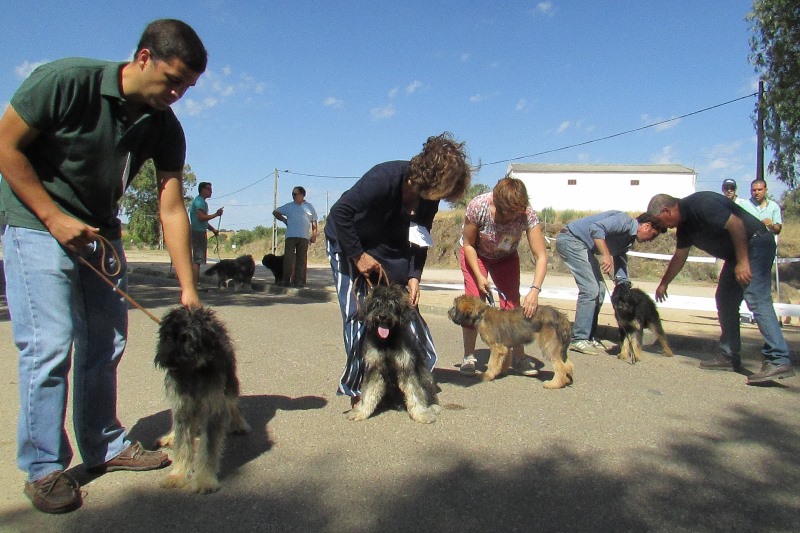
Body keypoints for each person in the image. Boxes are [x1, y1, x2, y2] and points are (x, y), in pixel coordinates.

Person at [0, 19, 207, 514]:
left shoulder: (164, 127)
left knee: (106, 343)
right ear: (142, 58)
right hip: (34, 220)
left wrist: (188, 289)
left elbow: (171, 207)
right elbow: (5, 146)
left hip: (101, 231)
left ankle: (105, 446)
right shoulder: (65, 80)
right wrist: (52, 216)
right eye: (172, 80)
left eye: (187, 88)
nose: (177, 93)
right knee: (49, 345)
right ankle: (45, 468)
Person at [324, 132, 471, 402]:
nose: (445, 196)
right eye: (445, 190)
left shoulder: (429, 197)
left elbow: (421, 235)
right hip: (348, 241)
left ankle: (409, 377)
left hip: (386, 250)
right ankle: (360, 388)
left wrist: (414, 276)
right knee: (361, 314)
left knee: (404, 313)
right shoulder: (384, 177)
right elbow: (340, 213)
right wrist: (357, 256)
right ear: (430, 177)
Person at [647, 192, 794, 384]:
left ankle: (778, 359)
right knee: (724, 299)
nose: (663, 227)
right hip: (737, 253)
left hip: (756, 243)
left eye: (660, 221)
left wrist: (742, 262)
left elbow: (736, 224)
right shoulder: (684, 229)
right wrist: (664, 283)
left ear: (667, 210)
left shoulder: (701, 204)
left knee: (756, 297)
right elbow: (679, 257)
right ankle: (729, 355)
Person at [457, 176, 547, 376]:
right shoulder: (478, 206)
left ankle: (519, 357)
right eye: (507, 213)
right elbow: (468, 244)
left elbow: (541, 256)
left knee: (512, 305)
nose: (511, 218)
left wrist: (535, 290)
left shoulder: (527, 215)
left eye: (516, 213)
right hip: (475, 253)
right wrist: (480, 276)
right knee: (473, 303)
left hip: (505, 257)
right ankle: (469, 357)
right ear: (496, 203)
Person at [556, 211, 665, 355]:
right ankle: (579, 338)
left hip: (582, 246)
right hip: (571, 240)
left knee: (600, 290)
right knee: (590, 289)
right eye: (653, 235)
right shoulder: (624, 221)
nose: (651, 240)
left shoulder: (628, 240)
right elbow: (596, 228)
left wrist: (623, 284)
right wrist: (606, 255)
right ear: (647, 226)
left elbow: (620, 259)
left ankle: (588, 337)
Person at [272, 186, 318, 287]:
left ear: (302, 195)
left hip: (304, 237)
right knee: (288, 259)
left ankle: (297, 281)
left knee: (301, 260)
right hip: (291, 236)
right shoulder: (289, 206)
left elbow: (314, 222)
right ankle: (285, 281)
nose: (293, 196)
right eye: (292, 194)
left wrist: (314, 235)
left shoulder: (309, 207)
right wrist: (284, 220)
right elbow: (275, 212)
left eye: (295, 194)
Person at [190, 181, 223, 287]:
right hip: (198, 232)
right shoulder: (199, 202)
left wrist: (213, 229)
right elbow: (201, 217)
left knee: (197, 259)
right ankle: (194, 284)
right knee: (197, 259)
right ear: (202, 190)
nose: (211, 191)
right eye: (208, 189)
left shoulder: (202, 202)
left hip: (199, 231)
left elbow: (203, 220)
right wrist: (216, 214)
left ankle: (193, 283)